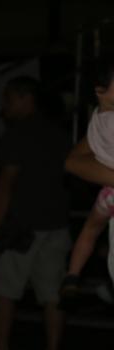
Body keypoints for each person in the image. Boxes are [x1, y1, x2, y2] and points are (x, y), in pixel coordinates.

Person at [0, 76, 71, 350]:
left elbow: (6, 184)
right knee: (52, 294)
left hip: (22, 226)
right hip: (57, 223)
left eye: (8, 99)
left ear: (25, 98)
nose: (5, 107)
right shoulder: (58, 133)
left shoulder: (17, 134)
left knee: (5, 289)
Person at [62, 57, 114, 293]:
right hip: (109, 188)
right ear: (100, 90)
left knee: (90, 228)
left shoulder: (96, 120)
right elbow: (72, 162)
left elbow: (73, 161)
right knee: (91, 229)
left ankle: (73, 274)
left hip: (108, 192)